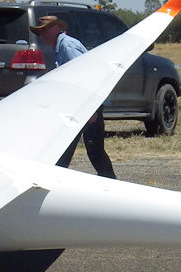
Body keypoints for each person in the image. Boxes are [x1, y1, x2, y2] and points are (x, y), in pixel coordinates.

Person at [30, 14, 116, 179]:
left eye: (45, 30)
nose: (41, 35)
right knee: (88, 147)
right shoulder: (61, 46)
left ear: (56, 29)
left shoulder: (67, 46)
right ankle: (109, 180)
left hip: (86, 104)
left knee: (72, 145)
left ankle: (55, 179)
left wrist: (90, 108)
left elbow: (84, 76)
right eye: (39, 32)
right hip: (83, 104)